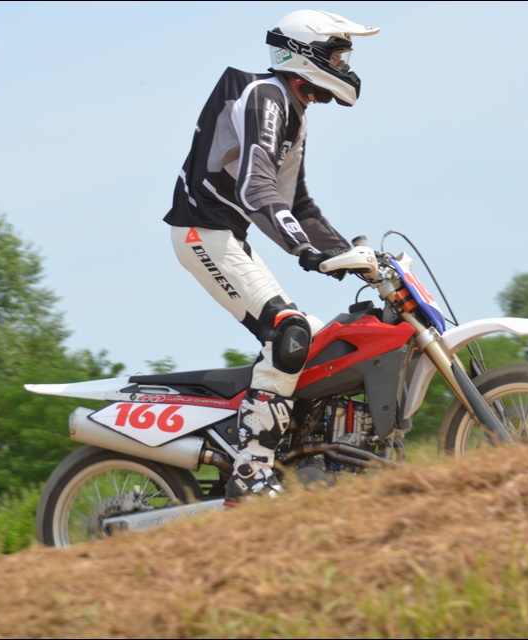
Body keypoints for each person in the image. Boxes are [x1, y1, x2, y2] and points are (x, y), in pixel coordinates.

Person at [163, 10, 380, 505]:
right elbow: (256, 188)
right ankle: (251, 471)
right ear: (303, 55)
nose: (344, 67)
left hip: (228, 237)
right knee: (289, 333)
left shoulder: (292, 112)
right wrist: (306, 251)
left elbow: (297, 203)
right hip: (202, 233)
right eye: (336, 57)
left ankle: (295, 450)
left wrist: (352, 254)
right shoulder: (266, 97)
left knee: (316, 337)